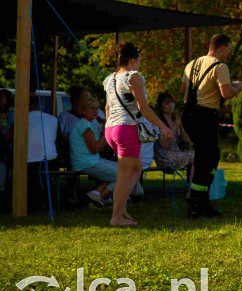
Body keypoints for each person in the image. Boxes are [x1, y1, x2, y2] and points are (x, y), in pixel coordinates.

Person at [103, 43, 173, 226]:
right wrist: (163, 127)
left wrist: (112, 128)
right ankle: (116, 217)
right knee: (124, 175)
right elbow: (143, 107)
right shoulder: (134, 77)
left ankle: (121, 209)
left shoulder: (110, 78)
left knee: (136, 168)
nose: (140, 65)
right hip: (127, 129)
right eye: (139, 61)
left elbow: (107, 107)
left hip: (111, 129)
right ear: (133, 60)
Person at [181, 34, 242, 219]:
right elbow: (226, 93)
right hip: (205, 116)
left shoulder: (192, 64)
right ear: (222, 47)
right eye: (228, 49)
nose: (228, 53)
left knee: (208, 156)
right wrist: (237, 87)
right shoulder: (220, 66)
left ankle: (201, 199)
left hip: (188, 115)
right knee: (207, 159)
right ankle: (196, 203)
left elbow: (182, 90)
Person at [69, 96, 120, 207]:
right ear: (84, 111)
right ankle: (100, 198)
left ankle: (96, 193)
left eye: (97, 108)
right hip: (86, 163)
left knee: (123, 169)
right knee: (122, 175)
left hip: (92, 160)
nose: (95, 111)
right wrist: (105, 132)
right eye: (92, 108)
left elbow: (99, 147)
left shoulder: (88, 124)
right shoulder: (85, 126)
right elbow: (95, 149)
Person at [26, 93, 59, 209]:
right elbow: (58, 140)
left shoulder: (20, 119)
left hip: (27, 161)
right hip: (49, 160)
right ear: (42, 105)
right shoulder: (53, 119)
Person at [153, 92, 195, 172]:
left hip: (177, 153)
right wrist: (175, 127)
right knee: (195, 157)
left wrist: (181, 126)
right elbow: (164, 144)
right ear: (161, 107)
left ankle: (193, 180)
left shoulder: (175, 120)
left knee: (200, 156)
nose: (171, 105)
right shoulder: (159, 123)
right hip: (165, 156)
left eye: (172, 102)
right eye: (167, 103)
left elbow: (187, 140)